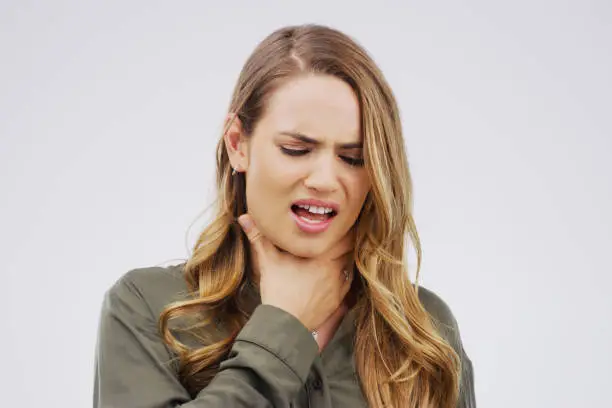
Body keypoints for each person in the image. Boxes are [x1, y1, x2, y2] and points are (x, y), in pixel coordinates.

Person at [93, 23, 476, 408]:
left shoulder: (422, 331)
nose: (325, 180)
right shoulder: (148, 307)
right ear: (237, 144)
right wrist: (283, 326)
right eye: (296, 149)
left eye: (353, 158)